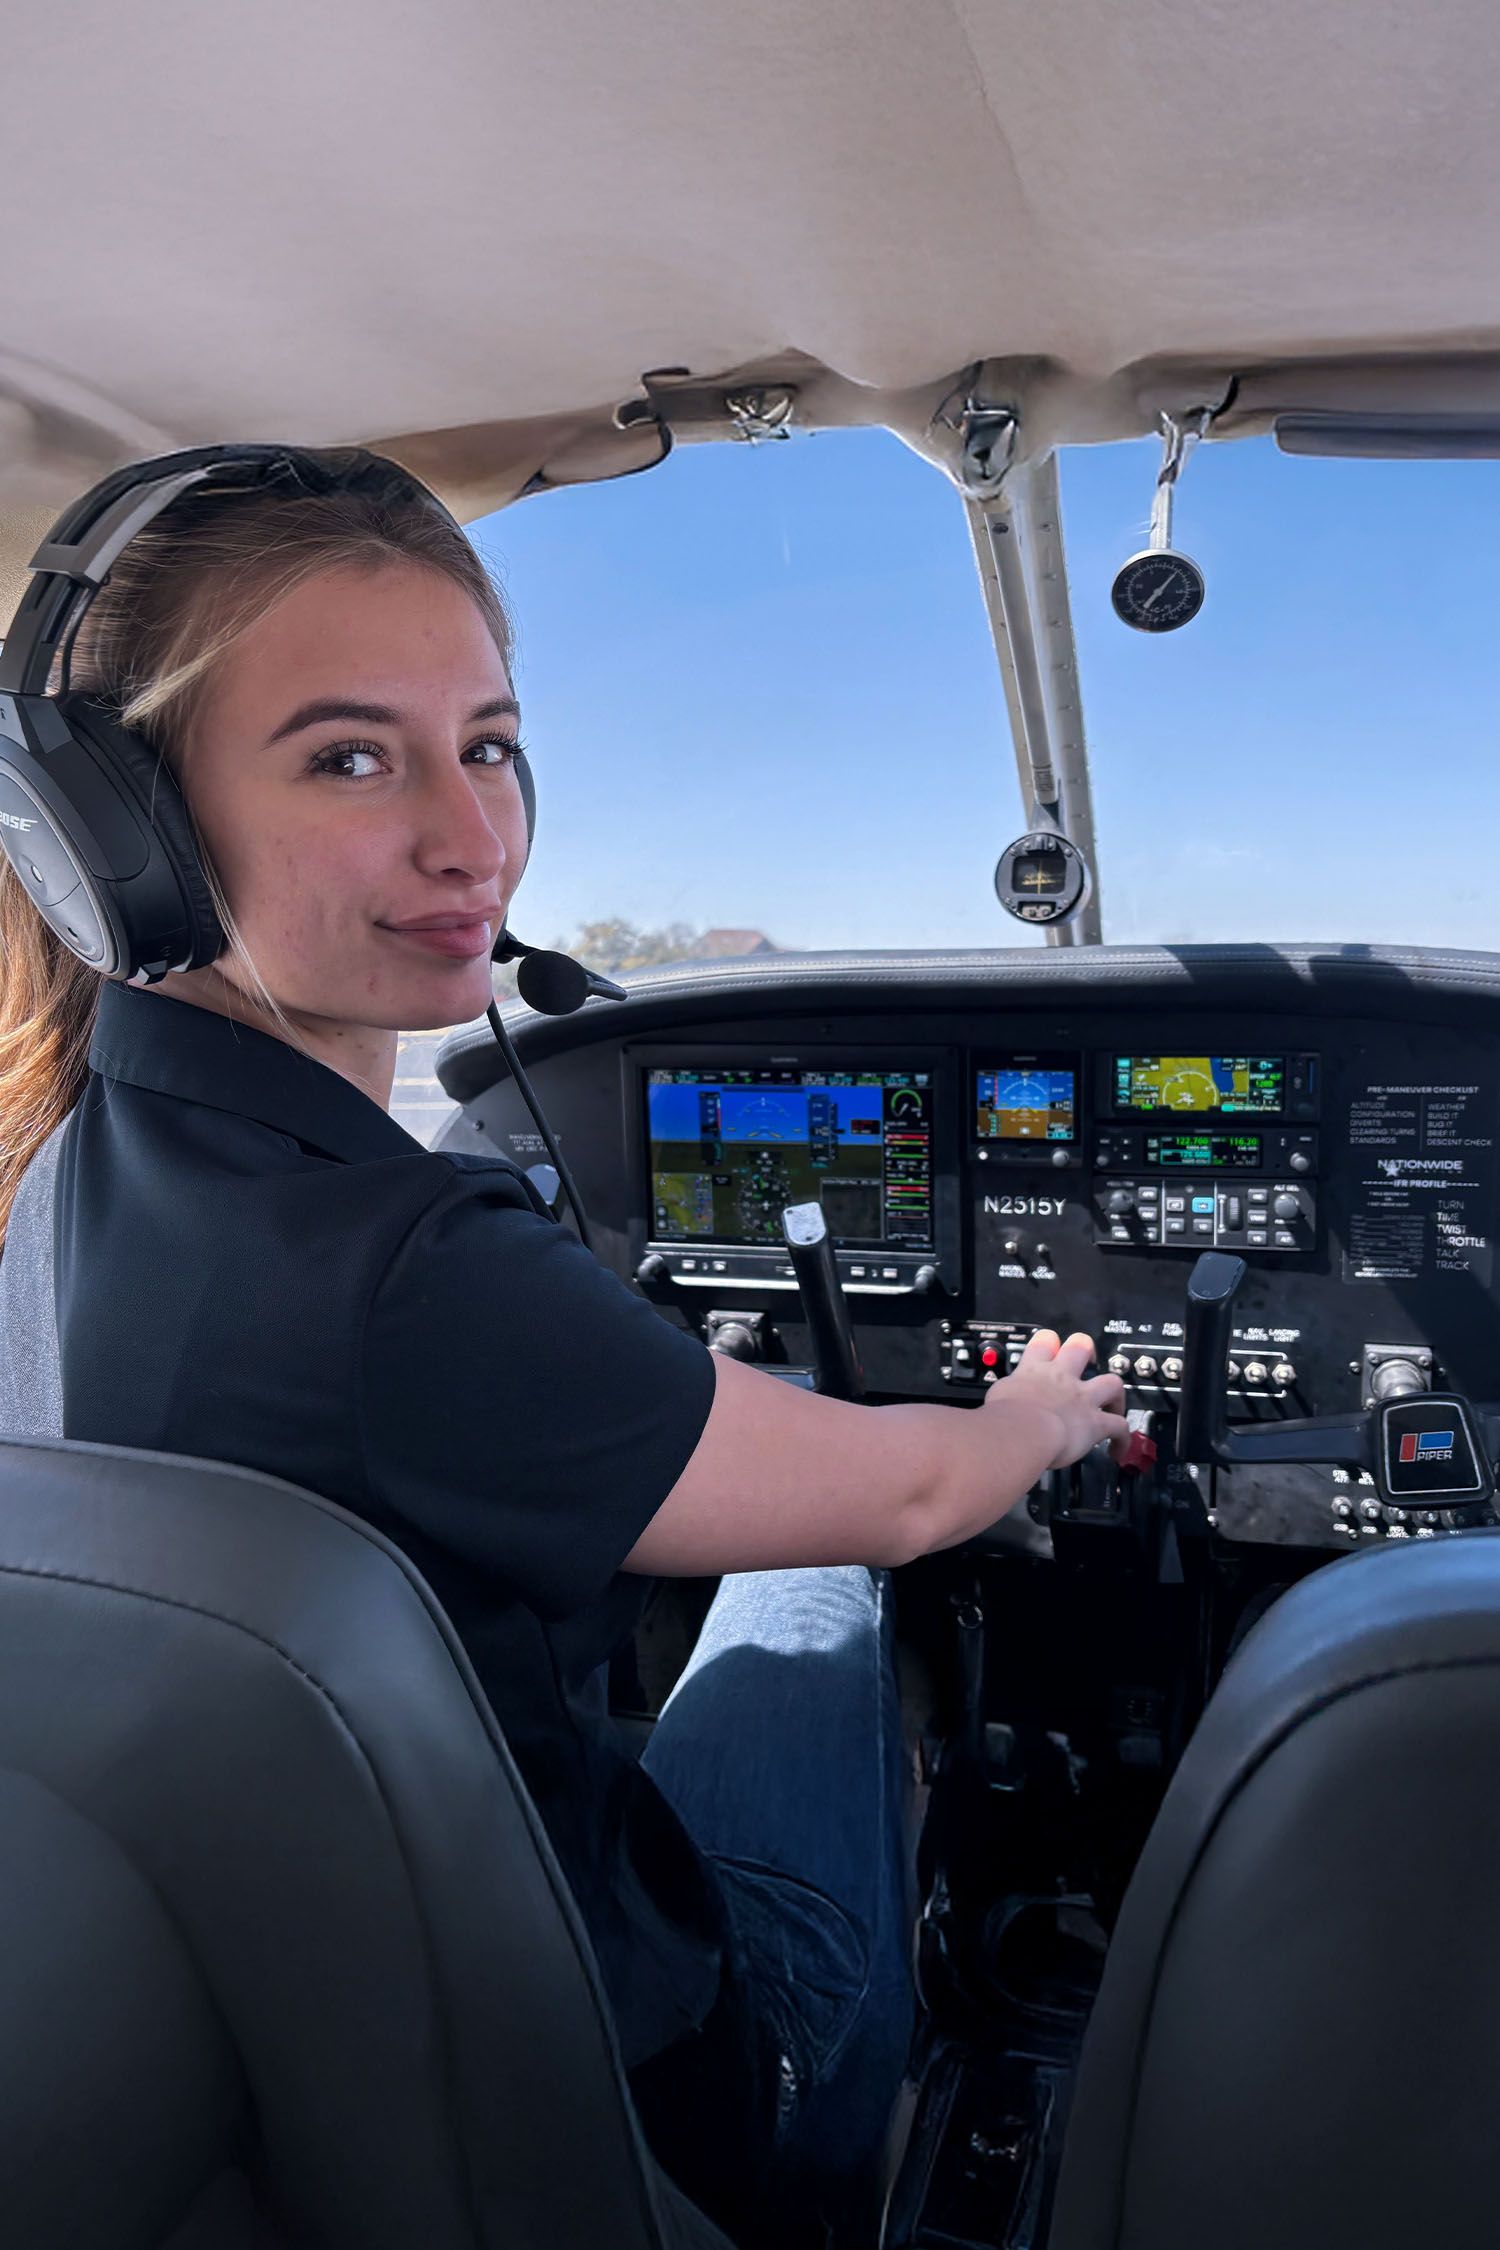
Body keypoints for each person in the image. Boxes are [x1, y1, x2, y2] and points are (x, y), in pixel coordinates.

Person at [0, 450, 1126, 2243]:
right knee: (825, 1588)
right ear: (117, 832)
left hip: (312, 2027)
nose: (475, 837)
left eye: (493, 742)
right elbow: (917, 1490)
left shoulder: (64, 1157)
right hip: (636, 2075)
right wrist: (1050, 1410)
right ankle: (873, 2113)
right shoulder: (413, 1271)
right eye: (350, 756)